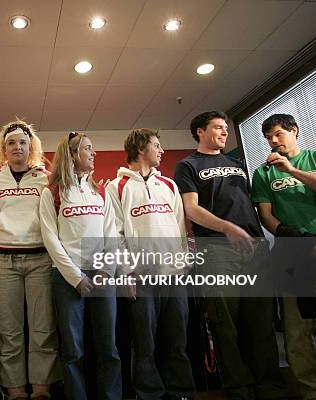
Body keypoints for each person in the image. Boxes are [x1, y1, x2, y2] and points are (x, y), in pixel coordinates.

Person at [173, 111, 285, 400]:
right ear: (200, 131)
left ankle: (270, 388)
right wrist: (228, 228)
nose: (224, 132)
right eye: (218, 128)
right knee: (226, 326)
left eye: (226, 128)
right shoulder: (188, 165)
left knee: (261, 323)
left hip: (254, 248)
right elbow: (191, 209)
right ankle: (240, 390)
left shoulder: (238, 164)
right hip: (217, 250)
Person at [107, 128, 195, 400]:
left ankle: (180, 392)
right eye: (156, 145)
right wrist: (127, 273)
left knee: (177, 340)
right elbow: (115, 234)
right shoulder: (116, 186)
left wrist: (183, 264)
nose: (162, 151)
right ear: (141, 148)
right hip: (141, 278)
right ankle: (150, 394)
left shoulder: (169, 185)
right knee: (145, 343)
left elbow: (180, 228)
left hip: (174, 275)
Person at [252, 113, 316, 400]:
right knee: (298, 329)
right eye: (268, 137)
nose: (273, 141)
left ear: (294, 131)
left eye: (278, 134)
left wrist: (291, 170)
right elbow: (265, 214)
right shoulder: (263, 173)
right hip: (292, 253)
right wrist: (285, 233)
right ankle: (315, 392)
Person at [40, 131, 122, 400]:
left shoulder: (101, 191)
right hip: (67, 279)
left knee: (108, 348)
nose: (94, 153)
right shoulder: (52, 192)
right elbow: (50, 237)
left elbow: (112, 234)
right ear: (73, 155)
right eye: (88, 148)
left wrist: (106, 271)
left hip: (103, 277)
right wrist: (75, 277)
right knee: (73, 350)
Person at [0, 119, 61, 400]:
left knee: (43, 327)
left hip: (40, 259)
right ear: (3, 149)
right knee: (8, 330)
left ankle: (42, 389)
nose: (17, 146)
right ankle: (15, 390)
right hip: (3, 261)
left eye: (22, 142)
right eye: (11, 143)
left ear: (31, 147)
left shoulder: (46, 178)